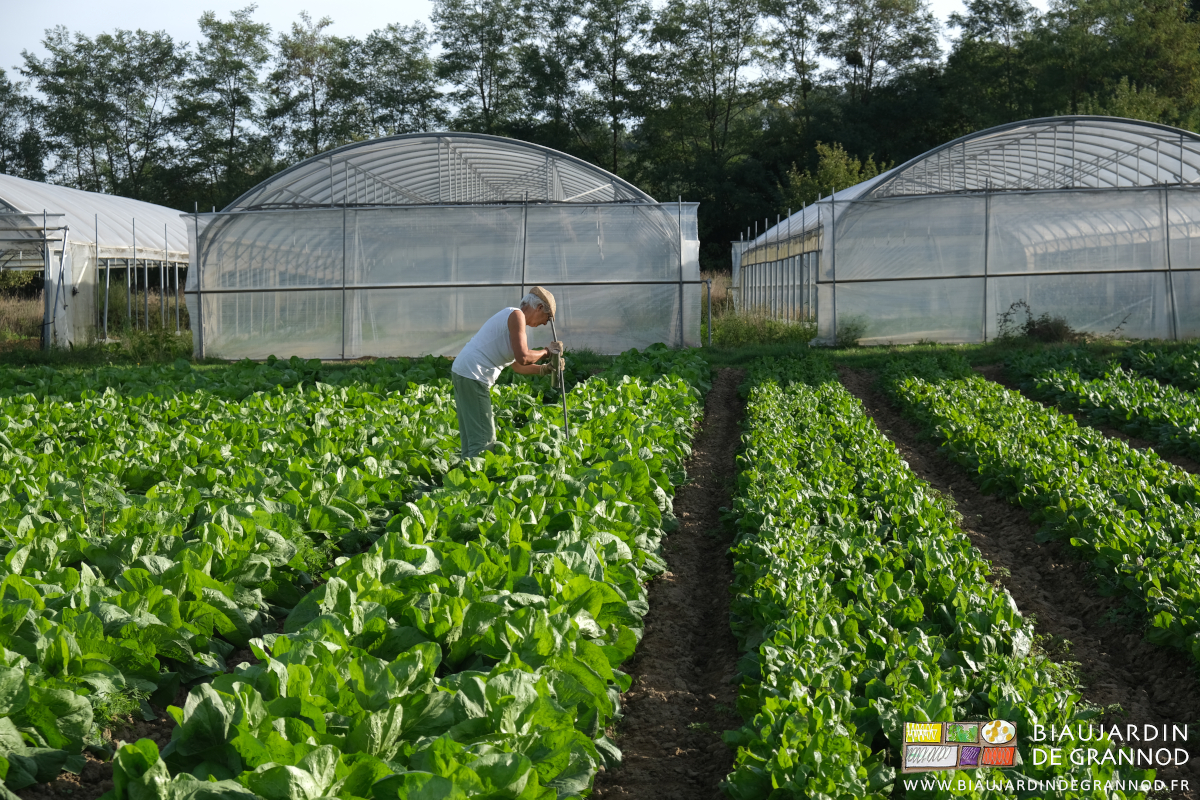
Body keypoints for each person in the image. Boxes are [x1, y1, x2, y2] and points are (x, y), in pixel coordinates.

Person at [451, 286, 563, 458]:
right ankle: (475, 481)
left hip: (464, 371)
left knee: (471, 437)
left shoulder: (515, 321)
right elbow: (523, 357)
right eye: (547, 318)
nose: (545, 323)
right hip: (473, 374)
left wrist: (544, 369)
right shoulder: (516, 315)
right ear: (539, 308)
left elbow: (517, 365)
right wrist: (546, 352)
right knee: (483, 440)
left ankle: (466, 475)